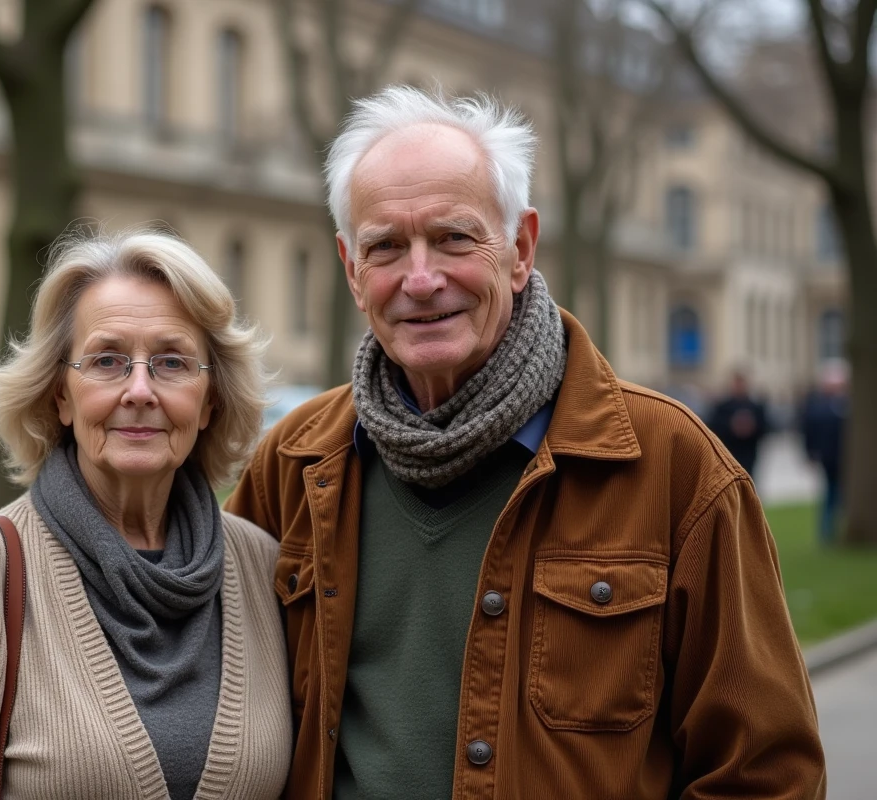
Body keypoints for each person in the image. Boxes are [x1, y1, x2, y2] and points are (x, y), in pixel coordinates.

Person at [226, 87, 824, 798]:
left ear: (520, 248)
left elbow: (765, 775)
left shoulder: (677, 468)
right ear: (353, 272)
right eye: (385, 246)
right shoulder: (292, 464)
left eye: (454, 237)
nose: (421, 279)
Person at [0, 230, 291, 799]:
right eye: (107, 360)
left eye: (171, 362)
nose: (139, 390)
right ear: (60, 395)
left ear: (211, 399)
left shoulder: (264, 567)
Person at [802, 359, 848, 545]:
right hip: (829, 458)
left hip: (842, 457)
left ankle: (834, 530)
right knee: (830, 494)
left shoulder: (843, 404)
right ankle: (827, 532)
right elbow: (809, 431)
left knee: (838, 494)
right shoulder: (819, 406)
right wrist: (810, 453)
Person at [707, 370, 769, 475]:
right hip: (728, 453)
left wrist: (750, 428)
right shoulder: (723, 407)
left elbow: (764, 428)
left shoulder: (755, 407)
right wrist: (732, 427)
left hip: (749, 453)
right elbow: (714, 429)